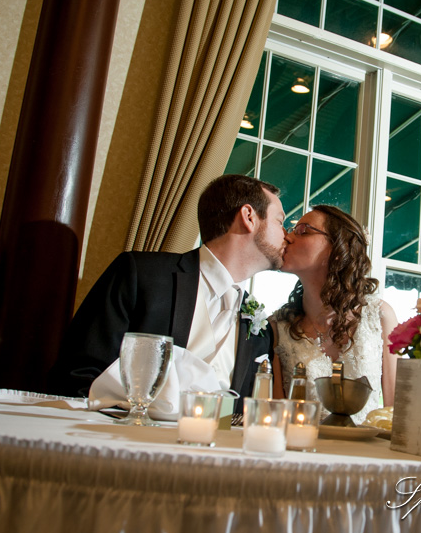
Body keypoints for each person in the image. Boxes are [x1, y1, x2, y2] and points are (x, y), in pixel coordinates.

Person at [47, 175, 287, 412]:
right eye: (279, 221)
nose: (286, 234)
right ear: (249, 217)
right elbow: (78, 374)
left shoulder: (259, 329)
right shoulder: (141, 274)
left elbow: (238, 412)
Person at [270, 205, 398, 423]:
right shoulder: (277, 326)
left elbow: (396, 411)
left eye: (303, 230)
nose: (288, 237)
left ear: (338, 249)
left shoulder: (380, 316)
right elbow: (276, 417)